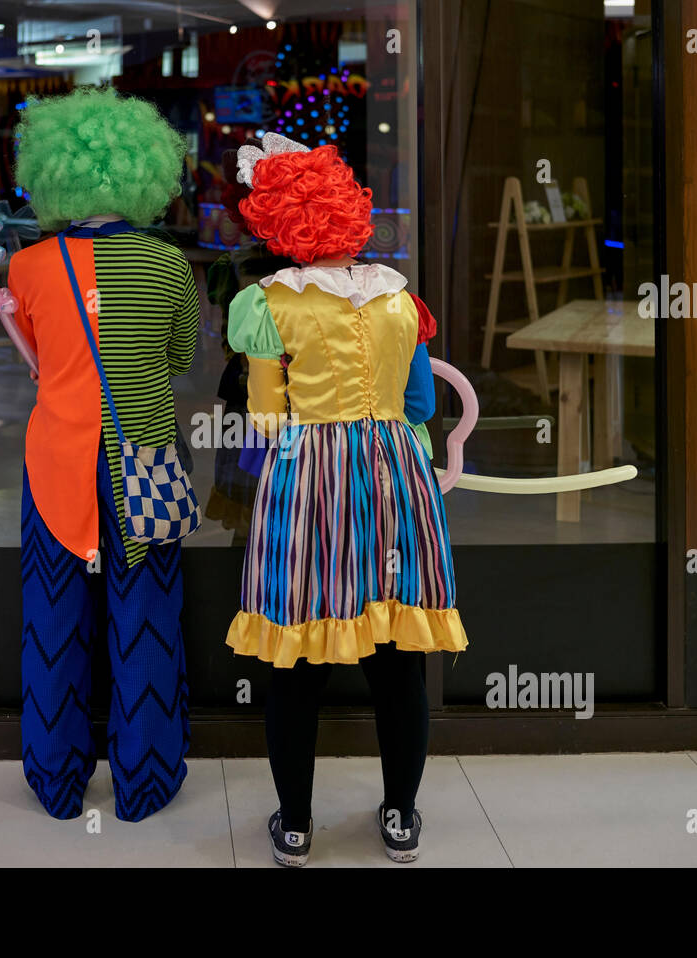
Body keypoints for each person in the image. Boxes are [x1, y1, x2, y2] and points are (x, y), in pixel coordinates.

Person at [223, 133, 467, 865]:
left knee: (295, 661)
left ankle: (295, 828)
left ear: (277, 222)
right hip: (395, 479)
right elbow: (420, 403)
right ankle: (400, 818)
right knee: (396, 656)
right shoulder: (400, 298)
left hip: (307, 482)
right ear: (346, 210)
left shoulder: (263, 304)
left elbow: (266, 420)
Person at [9, 88, 199, 823]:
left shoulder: (28, 267)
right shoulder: (167, 264)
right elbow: (180, 357)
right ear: (144, 174)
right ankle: (145, 782)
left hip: (57, 461)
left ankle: (55, 784)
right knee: (146, 615)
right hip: (144, 457)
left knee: (52, 619)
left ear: (52, 173)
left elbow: (37, 356)